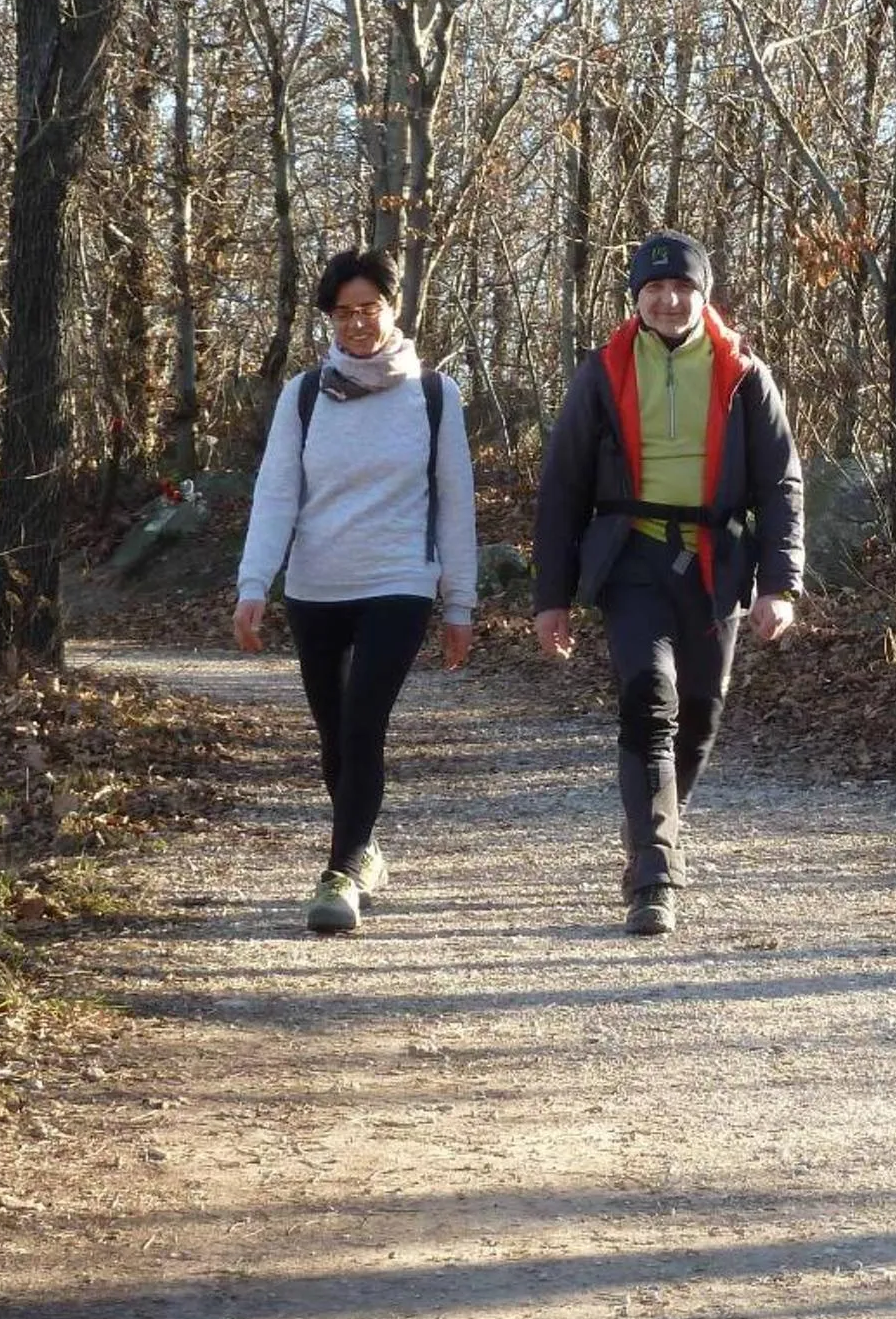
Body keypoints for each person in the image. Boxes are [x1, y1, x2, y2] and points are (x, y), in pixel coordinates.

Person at [533, 229, 805, 935]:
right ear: (636, 298)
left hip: (717, 561)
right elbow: (561, 488)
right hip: (633, 558)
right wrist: (551, 597)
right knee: (647, 698)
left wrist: (782, 584)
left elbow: (781, 485)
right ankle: (655, 873)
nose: (668, 298)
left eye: (681, 286)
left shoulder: (746, 374)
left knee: (701, 711)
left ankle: (652, 829)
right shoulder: (603, 371)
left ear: (701, 293)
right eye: (654, 288)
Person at [235, 249, 478, 934]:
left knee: (365, 721)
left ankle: (339, 874)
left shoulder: (434, 395)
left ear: (394, 308)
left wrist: (459, 602)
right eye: (343, 312)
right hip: (316, 586)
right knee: (335, 737)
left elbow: (455, 503)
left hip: (399, 580)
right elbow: (277, 492)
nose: (357, 323)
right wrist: (255, 583)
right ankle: (365, 848)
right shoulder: (305, 395)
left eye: (369, 307)